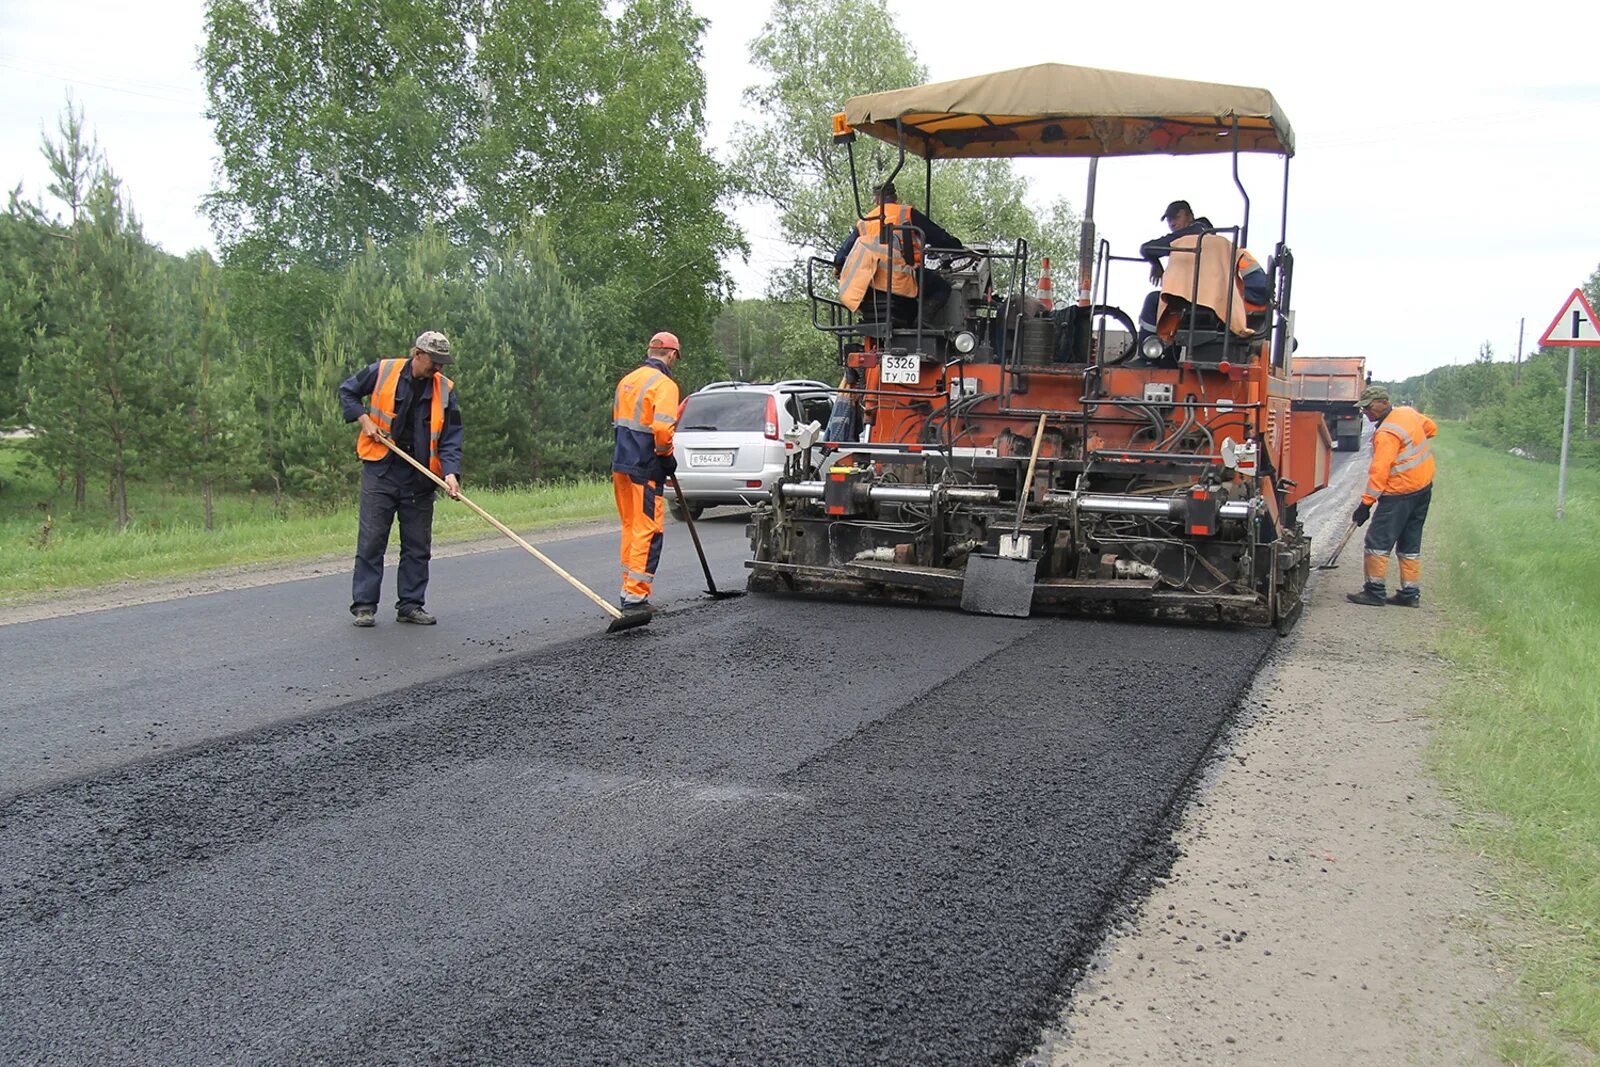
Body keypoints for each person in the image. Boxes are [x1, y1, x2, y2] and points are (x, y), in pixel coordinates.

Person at [339, 330, 463, 627]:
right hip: (381, 469)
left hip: (420, 475)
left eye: (443, 363)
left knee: (417, 545)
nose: (439, 368)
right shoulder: (382, 371)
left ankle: (410, 605)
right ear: (418, 355)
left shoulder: (445, 389)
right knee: (372, 540)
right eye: (435, 362)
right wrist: (364, 419)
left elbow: (451, 436)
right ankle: (365, 606)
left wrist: (450, 473)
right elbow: (347, 391)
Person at [1136, 200, 1269, 355]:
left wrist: (1155, 264)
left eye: (1176, 217)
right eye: (1169, 220)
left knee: (1155, 300)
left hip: (1236, 298)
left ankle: (1150, 354)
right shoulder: (1213, 239)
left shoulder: (1193, 235)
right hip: (1234, 297)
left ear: (1190, 216)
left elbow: (1148, 248)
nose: (1172, 223)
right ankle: (1167, 352)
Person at [1346, 385, 1437, 607]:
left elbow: (1379, 471)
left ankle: (1374, 591)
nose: (1366, 413)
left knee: (1377, 541)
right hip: (1423, 488)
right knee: (1409, 543)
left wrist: (1365, 504)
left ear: (1383, 403)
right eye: (1364, 409)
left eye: (1369, 408)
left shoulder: (1386, 433)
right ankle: (1410, 594)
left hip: (1400, 493)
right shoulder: (1407, 413)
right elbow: (1431, 428)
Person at [612, 331, 683, 614]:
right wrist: (666, 458)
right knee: (648, 529)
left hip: (621, 465)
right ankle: (635, 596)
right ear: (672, 354)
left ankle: (628, 586)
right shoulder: (665, 385)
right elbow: (663, 430)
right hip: (645, 467)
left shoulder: (627, 380)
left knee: (631, 527)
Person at [833, 181, 965, 317]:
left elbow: (839, 259)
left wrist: (840, 271)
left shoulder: (864, 222)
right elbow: (939, 237)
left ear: (876, 199)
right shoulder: (906, 213)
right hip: (902, 278)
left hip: (869, 284)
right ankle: (922, 323)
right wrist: (956, 245)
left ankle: (911, 321)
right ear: (894, 197)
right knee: (941, 287)